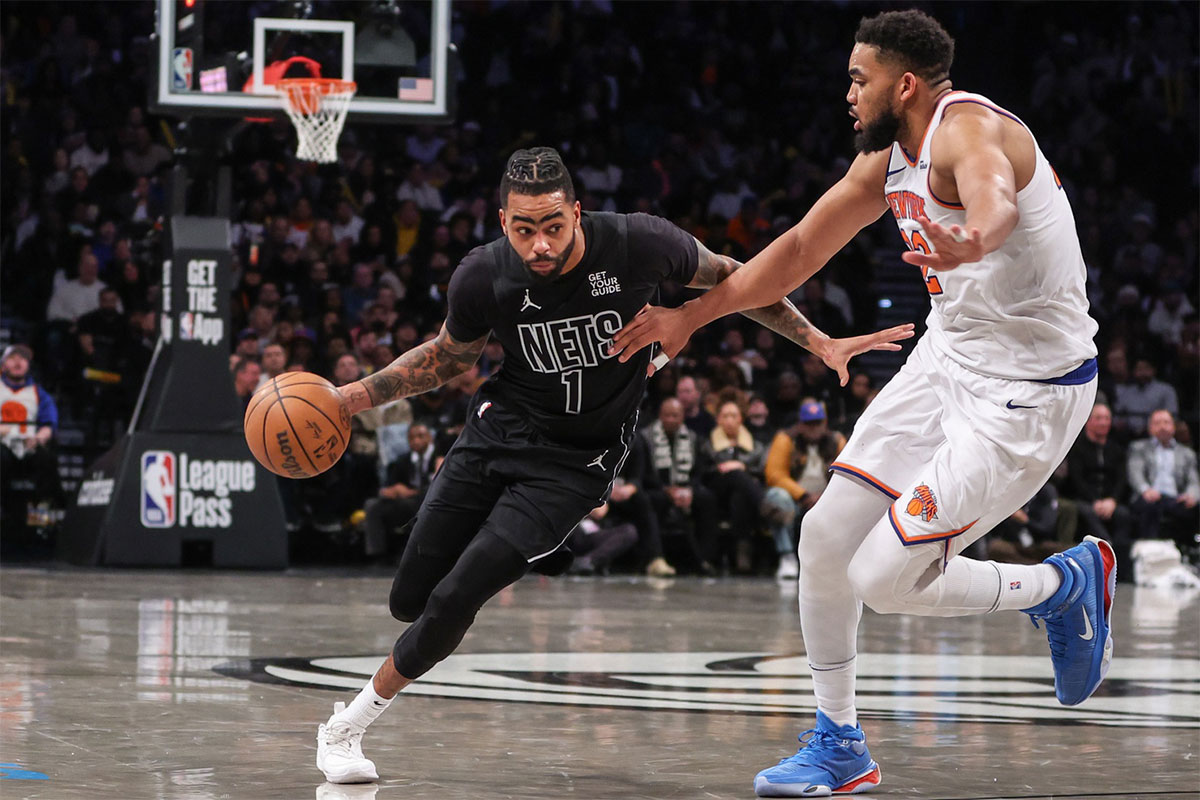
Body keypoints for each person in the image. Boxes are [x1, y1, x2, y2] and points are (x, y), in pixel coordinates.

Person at [610, 11, 1114, 796]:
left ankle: (1062, 587)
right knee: (823, 539)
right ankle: (839, 742)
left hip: (1029, 392)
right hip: (947, 360)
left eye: (858, 78)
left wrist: (975, 239)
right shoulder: (887, 158)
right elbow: (799, 252)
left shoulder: (967, 133)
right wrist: (688, 318)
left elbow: (996, 202)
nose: (847, 92)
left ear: (903, 83)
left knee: (884, 578)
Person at [313, 146, 911, 784]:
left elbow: (739, 279)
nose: (539, 244)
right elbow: (448, 357)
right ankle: (402, 647)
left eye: (552, 227)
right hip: (498, 434)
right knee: (411, 599)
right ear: (501, 220)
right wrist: (351, 397)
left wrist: (818, 341)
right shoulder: (483, 276)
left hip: (578, 463)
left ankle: (346, 727)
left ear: (577, 211)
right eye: (522, 230)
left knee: (461, 593)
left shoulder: (638, 245)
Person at [763, 399, 846, 580]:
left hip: (826, 497)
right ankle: (787, 556)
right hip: (795, 497)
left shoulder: (837, 441)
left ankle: (836, 561)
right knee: (776, 497)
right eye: (809, 424)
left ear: (824, 423)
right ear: (800, 424)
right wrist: (803, 495)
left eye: (817, 423)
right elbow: (774, 474)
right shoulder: (785, 439)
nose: (813, 428)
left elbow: (846, 475)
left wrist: (824, 497)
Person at [1127, 409, 1200, 560]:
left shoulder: (1187, 453)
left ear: (1173, 427)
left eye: (1166, 422)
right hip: (1149, 497)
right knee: (1151, 507)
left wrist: (1191, 495)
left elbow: (1193, 480)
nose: (1162, 426)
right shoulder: (1138, 448)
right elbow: (1135, 473)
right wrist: (1145, 490)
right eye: (1157, 423)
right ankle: (1149, 555)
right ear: (1150, 428)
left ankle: (1186, 556)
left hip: (1175, 499)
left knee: (1192, 509)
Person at [362, 424, 441, 562]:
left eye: (420, 436)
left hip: (429, 502)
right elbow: (385, 488)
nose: (416, 441)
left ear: (430, 438)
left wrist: (411, 492)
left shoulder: (439, 458)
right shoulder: (403, 460)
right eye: (412, 438)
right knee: (372, 506)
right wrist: (393, 491)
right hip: (404, 503)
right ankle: (378, 555)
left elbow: (439, 487)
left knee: (424, 500)